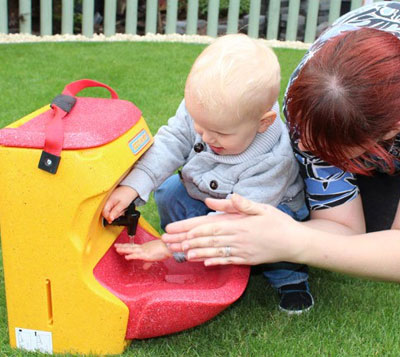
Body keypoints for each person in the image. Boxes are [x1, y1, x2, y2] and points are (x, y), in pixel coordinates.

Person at [161, 2, 400, 283]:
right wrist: (283, 232)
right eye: (302, 133)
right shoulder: (316, 88)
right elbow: (342, 226)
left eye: (328, 147)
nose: (305, 147)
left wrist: (294, 241)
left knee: (376, 237)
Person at [102, 33, 314, 314]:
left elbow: (236, 218)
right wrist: (134, 186)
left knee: (274, 241)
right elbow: (172, 141)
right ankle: (196, 251)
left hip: (262, 211)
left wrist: (171, 246)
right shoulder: (205, 111)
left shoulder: (273, 159)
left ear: (263, 124)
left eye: (220, 134)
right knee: (170, 192)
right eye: (199, 126)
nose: (204, 136)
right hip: (211, 196)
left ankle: (290, 279)